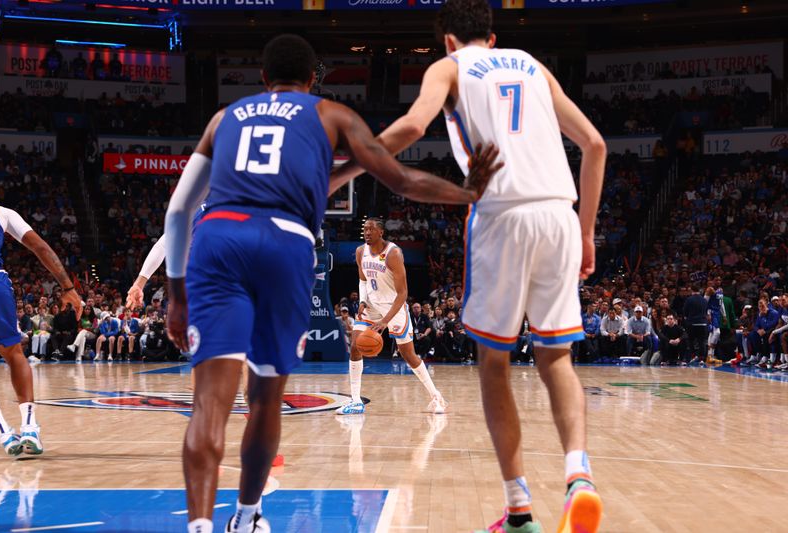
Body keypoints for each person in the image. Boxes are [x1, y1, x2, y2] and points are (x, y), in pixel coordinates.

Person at [163, 34, 498, 533]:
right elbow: (402, 181)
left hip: (219, 240)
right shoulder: (329, 115)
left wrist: (175, 293)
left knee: (209, 403)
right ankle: (248, 516)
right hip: (285, 243)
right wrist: (468, 191)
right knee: (264, 400)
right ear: (314, 78)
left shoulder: (223, 119)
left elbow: (178, 210)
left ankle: (199, 526)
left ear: (261, 80)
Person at [332, 2, 605, 530]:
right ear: (495, 36)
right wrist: (588, 232)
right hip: (559, 214)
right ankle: (580, 475)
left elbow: (413, 124)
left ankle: (520, 510)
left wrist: (344, 172)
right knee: (556, 358)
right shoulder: (531, 63)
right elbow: (594, 144)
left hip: (501, 214)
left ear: (450, 42)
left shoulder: (450, 67)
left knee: (495, 363)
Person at [0, 200, 82, 456]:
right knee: (14, 355)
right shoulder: (0, 212)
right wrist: (68, 287)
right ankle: (29, 426)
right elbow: (40, 247)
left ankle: (4, 433)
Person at [337, 219, 448, 415]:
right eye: (365, 229)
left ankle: (436, 396)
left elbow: (403, 293)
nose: (367, 232)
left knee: (408, 355)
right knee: (355, 346)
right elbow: (363, 281)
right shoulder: (360, 252)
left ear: (381, 232)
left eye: (371, 229)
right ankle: (355, 401)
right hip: (371, 305)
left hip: (394, 307)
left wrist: (386, 320)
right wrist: (363, 301)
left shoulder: (393, 254)